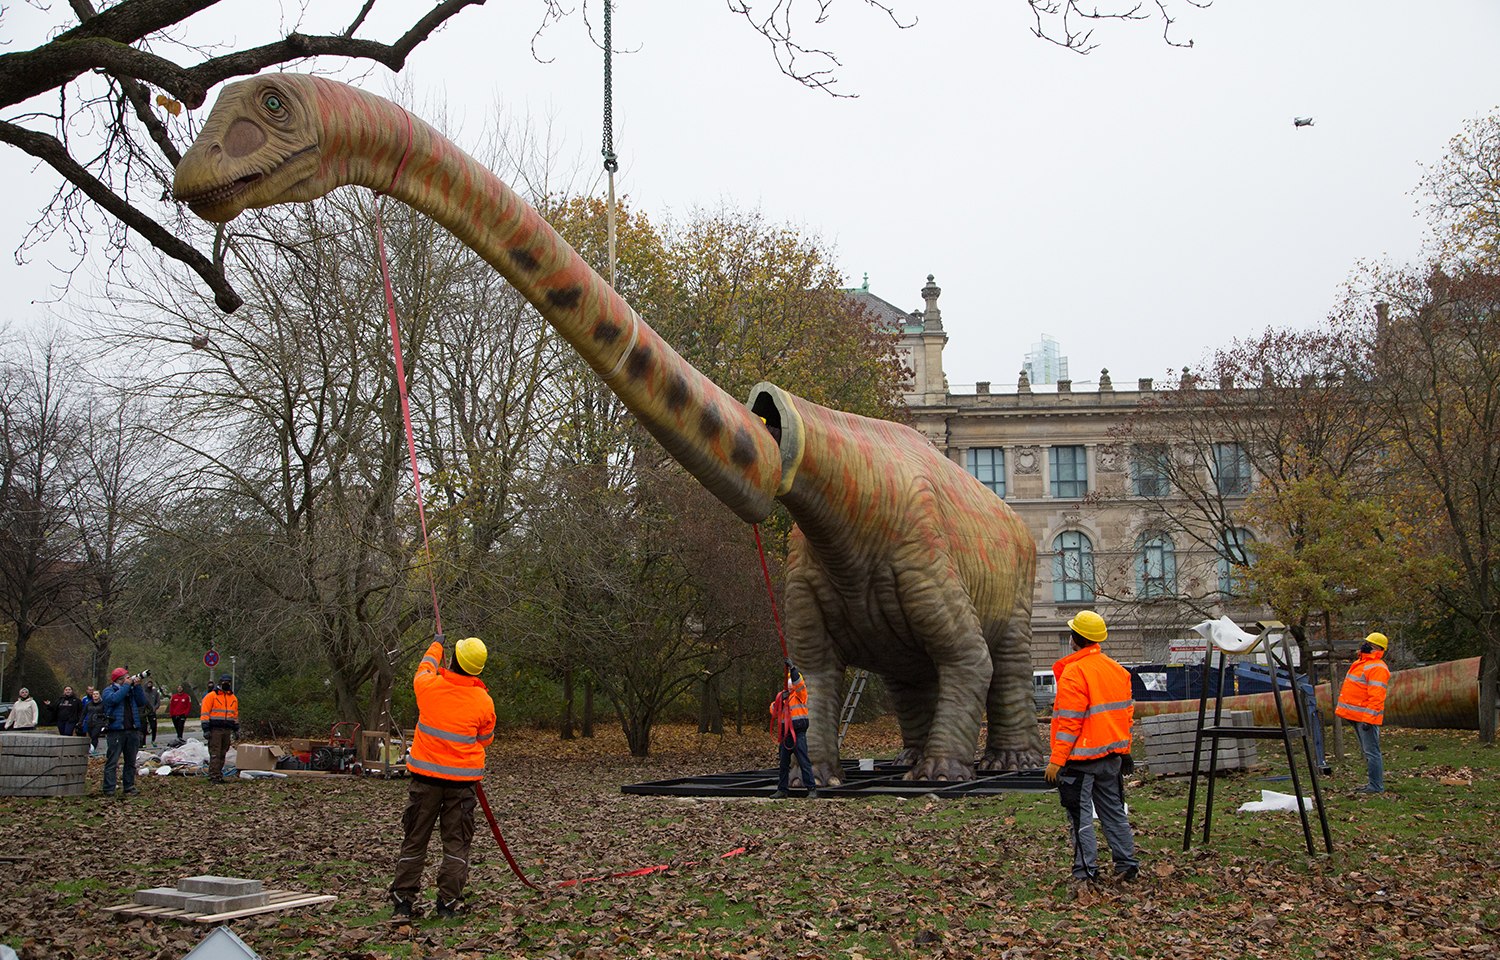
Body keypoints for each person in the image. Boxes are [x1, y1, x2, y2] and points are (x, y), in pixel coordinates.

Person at [389, 636, 496, 920]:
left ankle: (403, 901)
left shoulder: (429, 686)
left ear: (454, 660)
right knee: (456, 844)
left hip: (426, 783)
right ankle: (448, 904)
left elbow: (424, 667)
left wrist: (437, 644)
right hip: (462, 787)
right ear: (477, 669)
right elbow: (485, 739)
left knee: (415, 839)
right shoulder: (483, 701)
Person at [1045, 611, 1140, 894]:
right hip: (1111, 758)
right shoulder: (1117, 670)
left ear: (1075, 639)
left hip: (1081, 762)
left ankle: (1085, 872)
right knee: (1113, 814)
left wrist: (1056, 761)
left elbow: (1069, 723)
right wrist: (1125, 751)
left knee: (1080, 818)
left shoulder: (1075, 672)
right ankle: (1127, 865)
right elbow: (1125, 716)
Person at [1335, 631, 1391, 794]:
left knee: (1372, 752)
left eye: (1369, 643)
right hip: (1357, 716)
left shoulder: (1377, 668)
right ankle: (1373, 785)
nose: (1364, 645)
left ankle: (1376, 786)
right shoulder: (1362, 663)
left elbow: (1377, 697)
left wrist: (1368, 719)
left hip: (1365, 718)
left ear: (1378, 648)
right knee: (1369, 751)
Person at [768, 663, 817, 800]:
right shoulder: (782, 697)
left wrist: (793, 670)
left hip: (798, 733)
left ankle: (811, 789)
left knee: (804, 761)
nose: (790, 684)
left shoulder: (800, 695)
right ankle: (782, 790)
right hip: (785, 735)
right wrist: (780, 702)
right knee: (783, 764)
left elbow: (799, 683)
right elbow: (773, 711)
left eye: (791, 682)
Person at [100, 668, 148, 797]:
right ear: (118, 680)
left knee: (131, 761)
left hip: (132, 729)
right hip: (116, 730)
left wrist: (137, 687)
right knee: (112, 761)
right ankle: (109, 788)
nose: (128, 680)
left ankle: (129, 786)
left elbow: (141, 702)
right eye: (125, 678)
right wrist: (126, 687)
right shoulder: (108, 691)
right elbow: (114, 700)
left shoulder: (130, 690)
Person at [199, 675, 240, 782]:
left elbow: (234, 715)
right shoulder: (211, 696)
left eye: (229, 682)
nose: (227, 684)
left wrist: (236, 729)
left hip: (227, 730)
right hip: (215, 729)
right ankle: (214, 775)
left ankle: (218, 774)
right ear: (220, 683)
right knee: (215, 753)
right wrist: (206, 729)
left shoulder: (233, 698)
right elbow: (205, 713)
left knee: (223, 753)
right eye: (225, 682)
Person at [81, 689, 105, 753]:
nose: (95, 695)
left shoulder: (103, 704)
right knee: (91, 736)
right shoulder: (88, 704)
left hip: (98, 723)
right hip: (89, 722)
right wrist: (80, 721)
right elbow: (84, 713)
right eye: (94, 694)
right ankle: (93, 748)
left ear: (99, 695)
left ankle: (92, 750)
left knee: (95, 735)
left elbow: (106, 713)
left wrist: (102, 718)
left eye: (97, 694)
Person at [139, 679, 161, 745]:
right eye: (148, 683)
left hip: (152, 711)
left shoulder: (155, 692)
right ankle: (143, 742)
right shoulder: (143, 692)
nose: (149, 685)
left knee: (153, 726)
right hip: (144, 712)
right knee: (144, 728)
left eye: (151, 684)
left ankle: (153, 740)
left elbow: (158, 702)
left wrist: (154, 708)